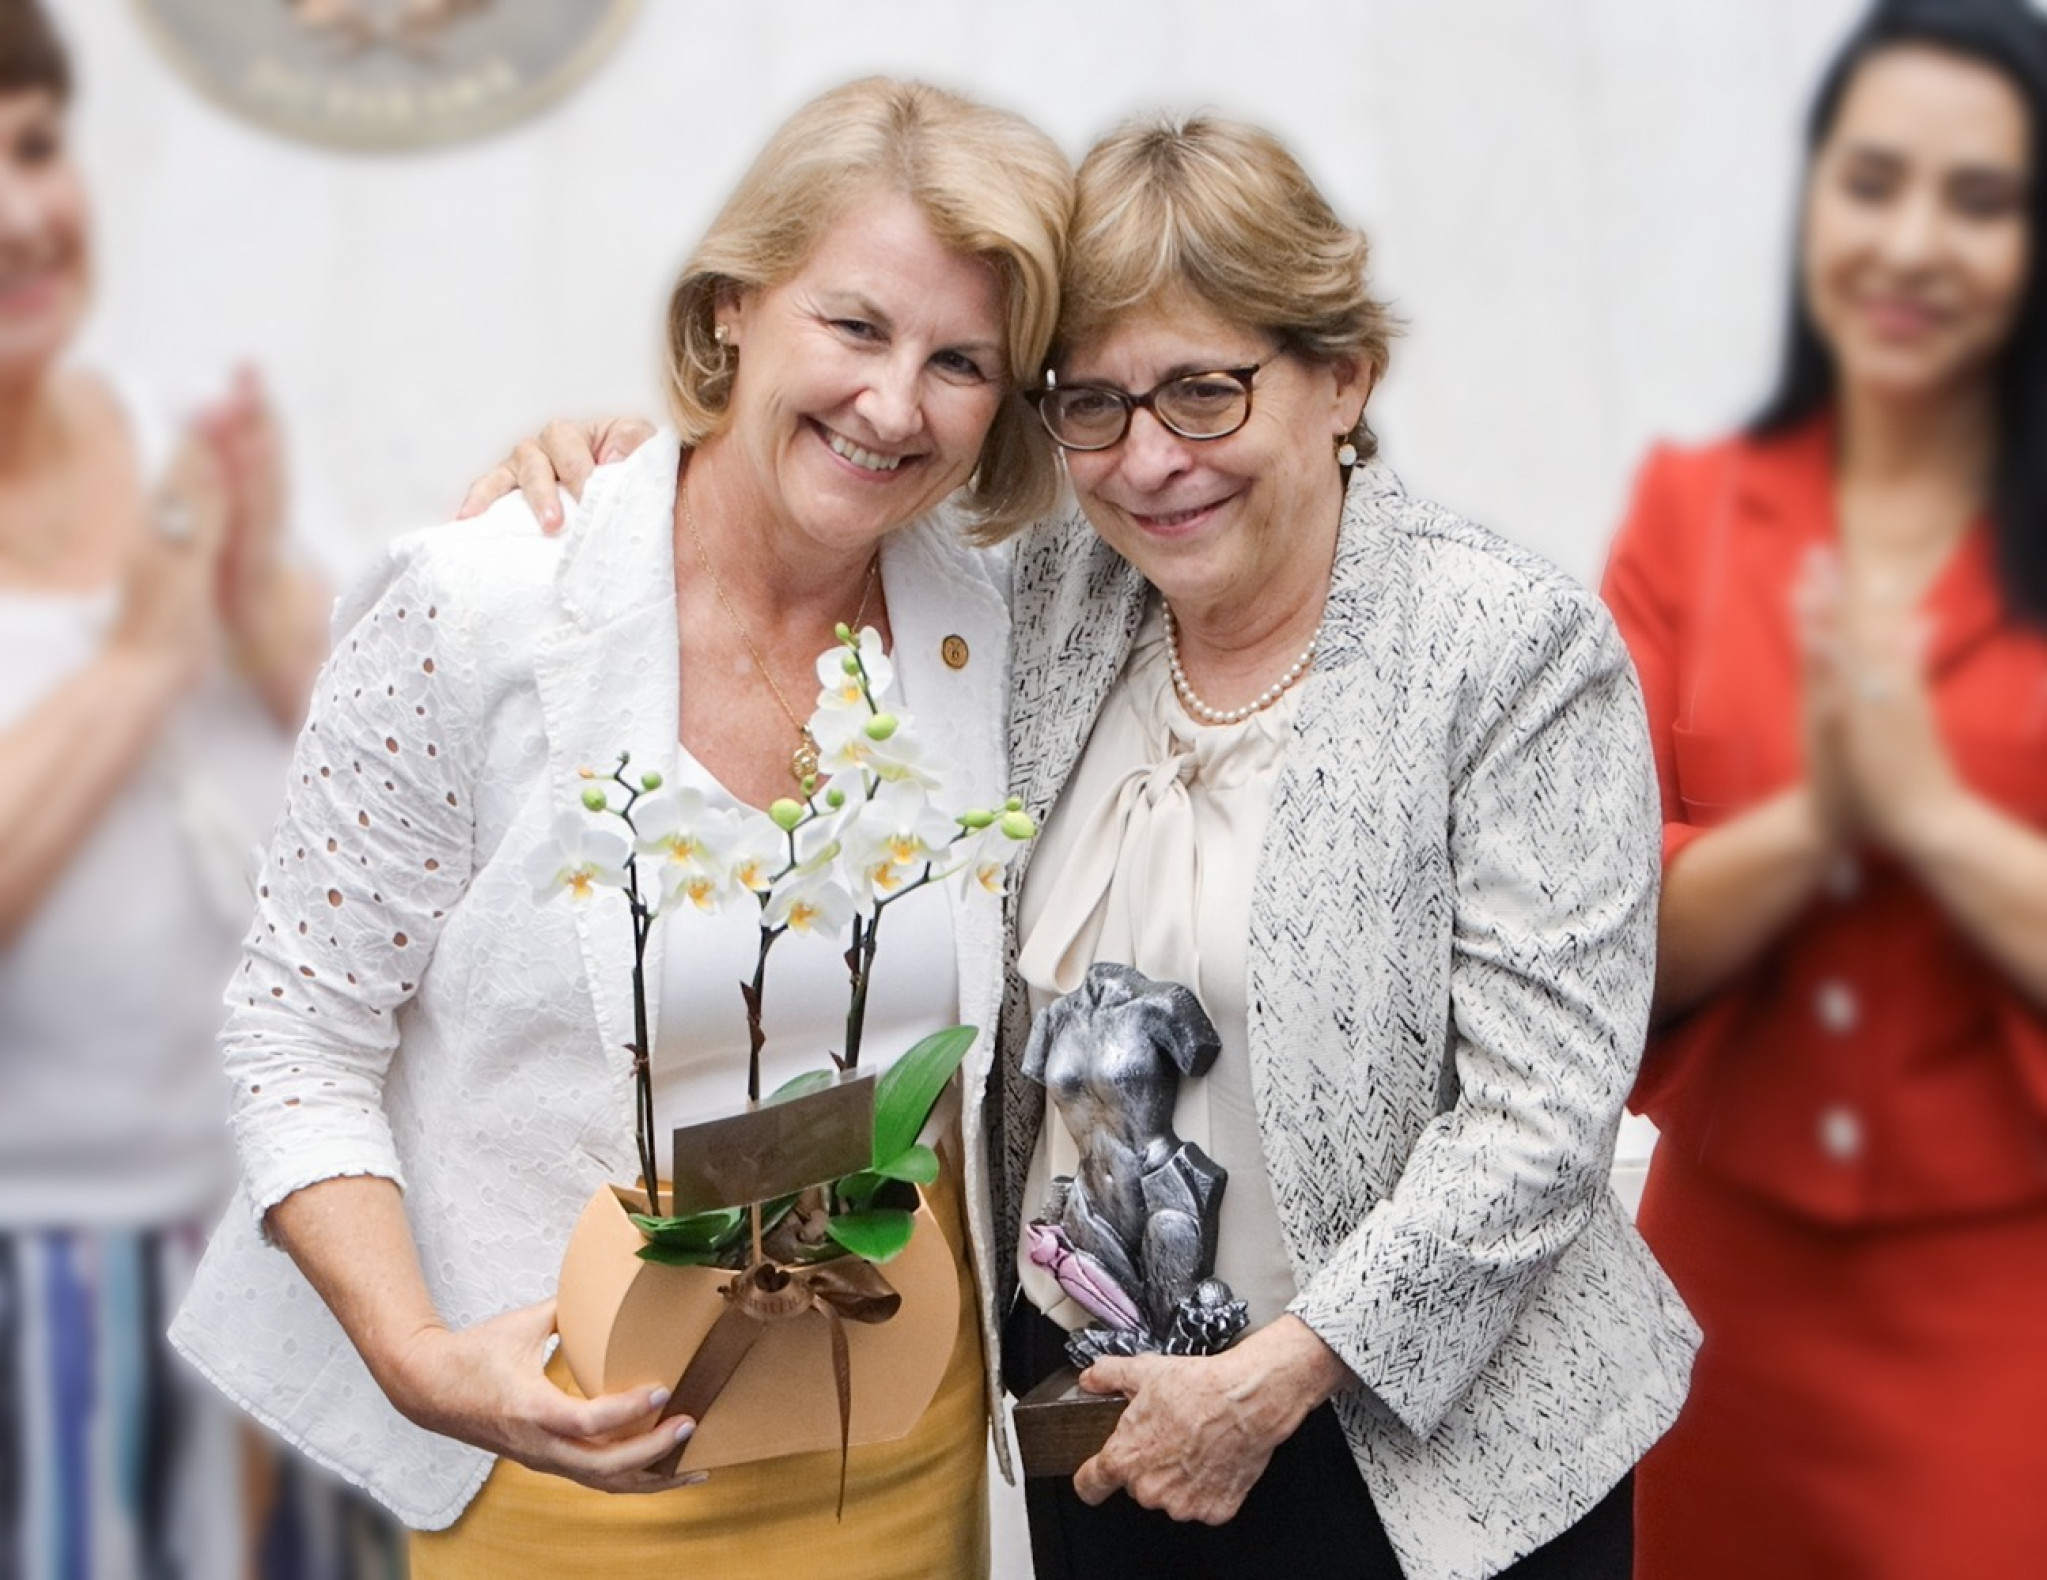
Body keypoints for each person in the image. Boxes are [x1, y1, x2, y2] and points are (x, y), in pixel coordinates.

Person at [493, 112, 1701, 1580]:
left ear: (1342, 378)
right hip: (1106, 1445)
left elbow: (1544, 1111)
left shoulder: (1505, 650)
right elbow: (798, 525)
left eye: (1205, 392)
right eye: (1093, 406)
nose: (1149, 461)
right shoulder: (1036, 606)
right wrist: (621, 479)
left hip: (1429, 1470)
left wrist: (1278, 1379)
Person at [167, 77, 1072, 1579]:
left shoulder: (1000, 635)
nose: (896, 403)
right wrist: (418, 1356)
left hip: (895, 1456)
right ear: (732, 309)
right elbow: (295, 1039)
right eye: (853, 327)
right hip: (560, 1467)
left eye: (962, 361)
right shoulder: (487, 615)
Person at [1599, 1, 2047, 1574]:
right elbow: (1593, 932)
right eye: (1872, 182)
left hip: (2008, 1316)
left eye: (1981, 200)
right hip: (1715, 1312)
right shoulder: (1691, 517)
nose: (1912, 241)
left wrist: (1929, 812)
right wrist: (1820, 825)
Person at [0, 3, 346, 1574]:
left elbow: (396, 798)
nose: (22, 217)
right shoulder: (155, 550)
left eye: (35, 147)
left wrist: (274, 613)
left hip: (284, 1255)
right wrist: (145, 652)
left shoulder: (169, 438)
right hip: (38, 1292)